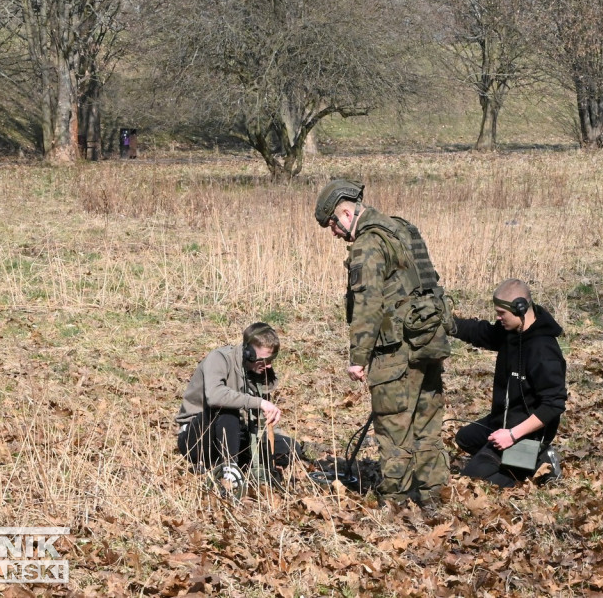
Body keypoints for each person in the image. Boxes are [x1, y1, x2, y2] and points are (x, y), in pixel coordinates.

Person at [314, 179, 451, 509]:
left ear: (346, 213)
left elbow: (368, 304)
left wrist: (358, 357)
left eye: (332, 224)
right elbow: (430, 282)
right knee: (426, 423)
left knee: (393, 428)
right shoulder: (400, 228)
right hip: (427, 339)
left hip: (395, 351)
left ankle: (395, 502)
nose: (333, 233)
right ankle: (434, 497)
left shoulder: (368, 243)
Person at [448, 278, 567, 488]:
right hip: (502, 421)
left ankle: (540, 460)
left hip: (527, 433)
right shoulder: (510, 332)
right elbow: (480, 331)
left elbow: (553, 405)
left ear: (520, 308)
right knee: (465, 438)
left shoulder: (544, 351)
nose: (498, 317)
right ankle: (513, 461)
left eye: (502, 313)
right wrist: (448, 323)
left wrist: (512, 435)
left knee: (475, 480)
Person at [175, 322, 297, 488]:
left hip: (232, 435)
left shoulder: (258, 373)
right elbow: (215, 396)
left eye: (272, 359)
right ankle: (229, 472)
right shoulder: (219, 358)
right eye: (264, 359)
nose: (268, 365)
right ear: (248, 353)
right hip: (198, 439)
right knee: (226, 409)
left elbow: (258, 421)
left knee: (288, 446)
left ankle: (238, 467)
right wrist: (259, 402)